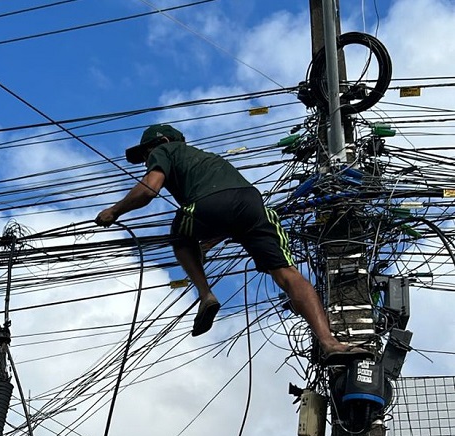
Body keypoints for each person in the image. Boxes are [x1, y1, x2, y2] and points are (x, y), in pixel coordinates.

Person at [95, 124, 372, 363]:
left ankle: (206, 295)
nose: (146, 160)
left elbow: (148, 189)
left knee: (179, 237)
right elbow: (230, 208)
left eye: (146, 153)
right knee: (288, 275)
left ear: (163, 143)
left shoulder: (165, 151)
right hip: (253, 205)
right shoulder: (208, 161)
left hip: (207, 205)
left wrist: (114, 211)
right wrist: (208, 243)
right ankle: (329, 342)